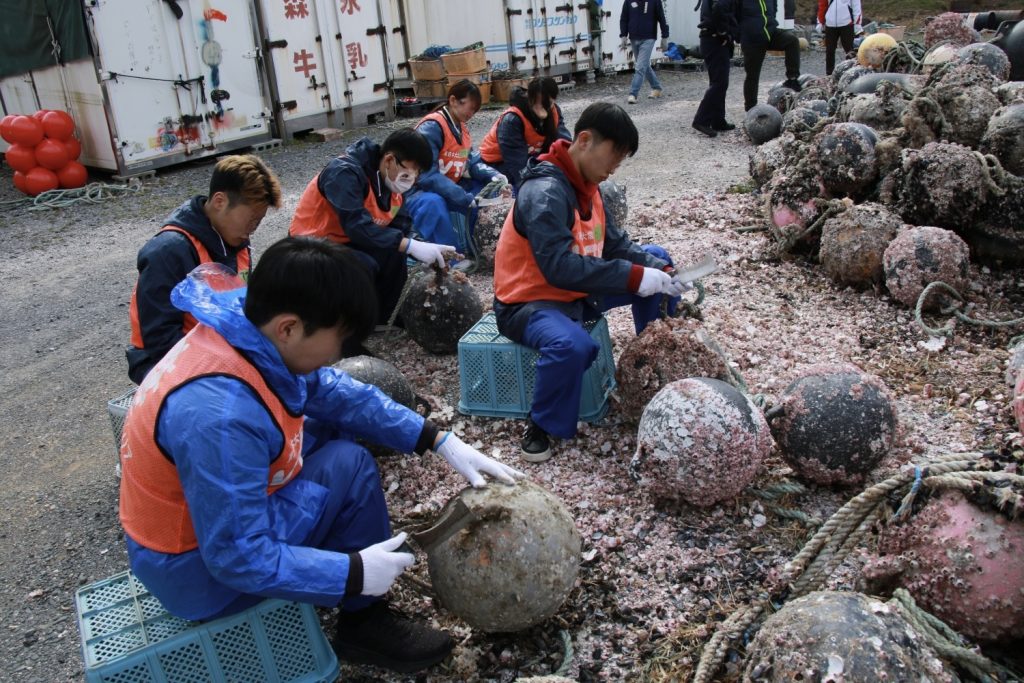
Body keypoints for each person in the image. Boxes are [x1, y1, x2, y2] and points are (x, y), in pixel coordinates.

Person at [118, 236, 523, 674]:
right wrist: (351, 573)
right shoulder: (221, 416)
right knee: (350, 465)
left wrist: (435, 438)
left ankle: (337, 572)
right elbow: (236, 555)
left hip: (208, 525)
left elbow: (334, 393)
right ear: (290, 328)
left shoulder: (247, 328)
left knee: (337, 432)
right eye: (339, 338)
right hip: (194, 570)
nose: (339, 353)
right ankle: (364, 620)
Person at [492, 102, 687, 463]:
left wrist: (660, 269)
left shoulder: (589, 185)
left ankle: (654, 361)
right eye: (614, 155)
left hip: (578, 292)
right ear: (584, 140)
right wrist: (634, 276)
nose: (615, 167)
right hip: (530, 303)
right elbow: (558, 267)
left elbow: (615, 244)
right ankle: (541, 423)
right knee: (573, 346)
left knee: (658, 259)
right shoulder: (545, 192)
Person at [126, 154, 281, 384]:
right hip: (164, 361)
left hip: (216, 350)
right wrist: (225, 365)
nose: (252, 230)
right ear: (219, 201)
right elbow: (159, 338)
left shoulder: (235, 241)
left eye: (258, 222)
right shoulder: (169, 251)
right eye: (251, 221)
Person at [289, 129, 452, 346]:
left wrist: (422, 247)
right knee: (361, 265)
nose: (410, 181)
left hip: (346, 243)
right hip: (308, 248)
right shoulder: (344, 173)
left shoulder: (390, 183)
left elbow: (400, 229)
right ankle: (347, 334)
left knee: (394, 253)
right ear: (389, 160)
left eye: (416, 175)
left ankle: (385, 317)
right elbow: (356, 226)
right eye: (407, 174)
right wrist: (409, 245)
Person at [404, 80, 508, 270]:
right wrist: (462, 196)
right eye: (470, 107)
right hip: (417, 190)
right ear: (453, 100)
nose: (471, 113)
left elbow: (471, 162)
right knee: (434, 203)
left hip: (445, 185)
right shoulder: (432, 127)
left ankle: (479, 246)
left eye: (475, 110)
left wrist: (494, 176)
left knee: (483, 192)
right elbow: (426, 175)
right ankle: (451, 258)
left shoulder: (462, 129)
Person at [479, 76, 572, 188]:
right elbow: (517, 166)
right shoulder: (512, 119)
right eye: (537, 102)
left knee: (562, 172)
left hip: (529, 155)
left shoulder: (554, 111)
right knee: (540, 181)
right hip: (498, 161)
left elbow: (564, 144)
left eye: (547, 103)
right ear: (529, 98)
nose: (541, 107)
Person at [735, 0, 802, 111]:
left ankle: (792, 79)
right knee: (752, 75)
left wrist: (772, 23)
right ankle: (750, 107)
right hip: (752, 39)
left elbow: (774, 8)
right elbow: (732, 15)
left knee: (792, 41)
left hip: (770, 33)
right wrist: (739, 35)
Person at [692, 0, 741, 137]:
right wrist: (723, 32)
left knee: (718, 81)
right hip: (715, 40)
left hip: (711, 39)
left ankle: (718, 120)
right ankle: (701, 120)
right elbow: (719, 7)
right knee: (720, 83)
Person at [619, 0, 670, 103]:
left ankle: (633, 94)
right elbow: (624, 18)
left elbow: (661, 18)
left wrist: (665, 36)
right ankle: (657, 88)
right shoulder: (628, 1)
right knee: (644, 65)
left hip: (649, 37)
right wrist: (623, 35)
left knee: (640, 67)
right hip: (634, 38)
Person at [817, 0, 862, 75]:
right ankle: (829, 74)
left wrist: (857, 23)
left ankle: (853, 72)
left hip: (847, 23)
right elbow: (822, 5)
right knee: (829, 50)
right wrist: (820, 22)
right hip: (830, 23)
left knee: (849, 50)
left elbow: (856, 6)